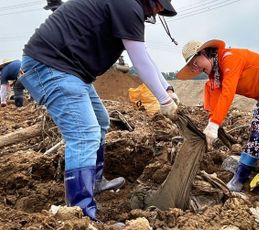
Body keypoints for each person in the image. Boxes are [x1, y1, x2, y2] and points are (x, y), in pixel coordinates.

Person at [20, 0, 179, 220]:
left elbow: (145, 56)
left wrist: (168, 88)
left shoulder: (124, 6)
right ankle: (80, 214)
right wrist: (163, 100)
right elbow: (139, 61)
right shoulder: (128, 4)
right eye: (158, 6)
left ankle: (94, 181)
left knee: (100, 121)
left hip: (71, 71)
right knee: (84, 136)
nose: (158, 11)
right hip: (50, 66)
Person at [176, 39, 259, 192]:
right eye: (193, 67)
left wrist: (215, 123)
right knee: (256, 127)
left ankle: (240, 177)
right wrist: (210, 124)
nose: (197, 69)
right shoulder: (216, 75)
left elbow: (228, 92)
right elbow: (215, 101)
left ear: (204, 53)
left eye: (196, 63)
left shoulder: (230, 58)